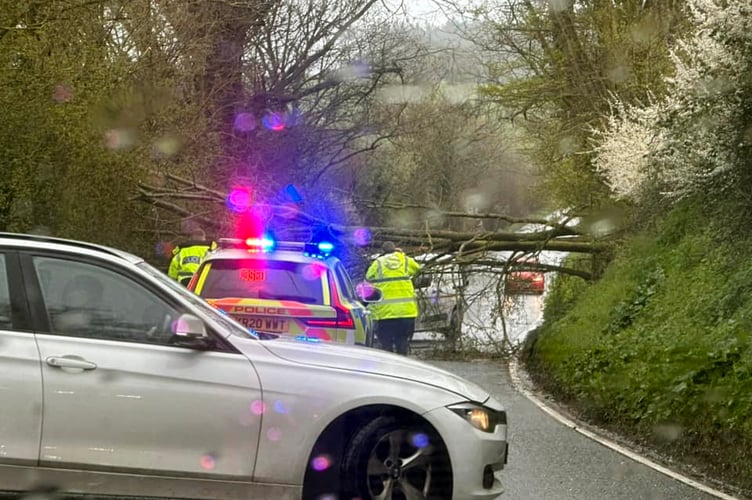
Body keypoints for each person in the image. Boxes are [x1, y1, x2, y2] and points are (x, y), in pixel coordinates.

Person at [366, 241, 421, 355]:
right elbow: (416, 268)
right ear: (395, 249)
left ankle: (388, 369)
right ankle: (401, 368)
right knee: (402, 342)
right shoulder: (404, 260)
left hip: (386, 313)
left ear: (383, 251)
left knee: (386, 346)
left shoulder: (378, 263)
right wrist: (402, 255)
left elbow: (368, 277)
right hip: (406, 312)